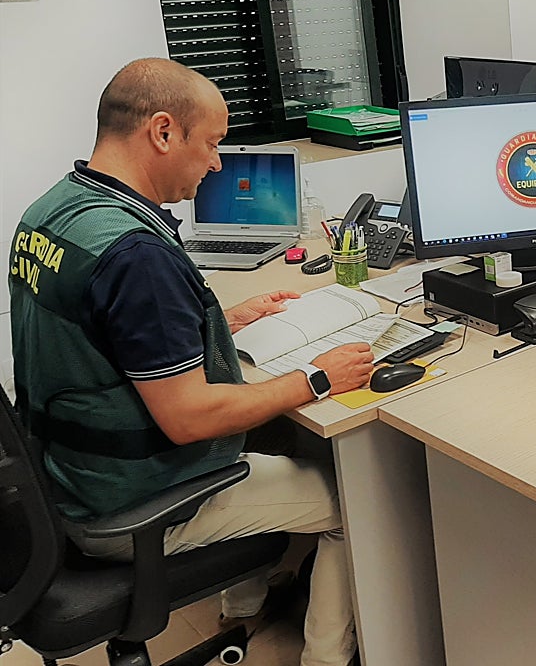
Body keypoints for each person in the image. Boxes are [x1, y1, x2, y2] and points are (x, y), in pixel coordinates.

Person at [8, 58, 374, 666]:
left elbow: (101, 339)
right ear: (162, 131)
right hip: (126, 503)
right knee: (348, 498)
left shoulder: (56, 212)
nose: (217, 164)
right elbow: (190, 419)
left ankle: (242, 611)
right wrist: (318, 377)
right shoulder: (136, 255)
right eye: (212, 144)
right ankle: (327, 659)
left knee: (283, 438)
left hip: (61, 477)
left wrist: (217, 325)